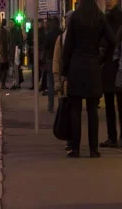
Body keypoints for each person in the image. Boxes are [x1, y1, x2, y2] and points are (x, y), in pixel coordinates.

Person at [62, 0, 116, 158]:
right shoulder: (99, 17)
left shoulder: (76, 17)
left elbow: (68, 46)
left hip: (76, 68)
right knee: (92, 109)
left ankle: (76, 148)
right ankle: (93, 149)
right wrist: (102, 57)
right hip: (93, 67)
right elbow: (113, 41)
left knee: (76, 109)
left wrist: (64, 70)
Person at [100, 0, 122, 147]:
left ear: (117, 0)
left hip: (117, 66)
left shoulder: (118, 19)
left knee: (119, 104)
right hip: (109, 67)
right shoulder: (104, 19)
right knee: (109, 104)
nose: (108, 2)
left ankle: (116, 137)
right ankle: (112, 137)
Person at [53, 10, 74, 151]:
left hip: (75, 80)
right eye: (67, 20)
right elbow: (56, 60)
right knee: (66, 112)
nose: (68, 22)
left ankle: (72, 140)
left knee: (73, 112)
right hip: (64, 81)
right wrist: (56, 80)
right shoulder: (61, 39)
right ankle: (69, 139)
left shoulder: (78, 37)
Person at [43, 16, 63, 112]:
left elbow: (45, 48)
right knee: (59, 83)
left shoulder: (49, 34)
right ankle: (60, 105)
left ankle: (50, 106)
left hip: (50, 60)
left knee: (50, 83)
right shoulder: (61, 33)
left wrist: (44, 61)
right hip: (60, 61)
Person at [0, 19, 9, 89]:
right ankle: (3, 83)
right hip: (4, 53)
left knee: (0, 68)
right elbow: (7, 42)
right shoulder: (5, 31)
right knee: (4, 69)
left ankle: (0, 81)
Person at [8, 18, 23, 90]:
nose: (10, 24)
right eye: (9, 23)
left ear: (14, 23)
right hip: (12, 52)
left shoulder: (16, 31)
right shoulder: (11, 31)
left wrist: (17, 51)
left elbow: (20, 42)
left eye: (11, 23)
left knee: (16, 68)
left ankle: (17, 83)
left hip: (16, 52)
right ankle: (16, 82)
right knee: (14, 68)